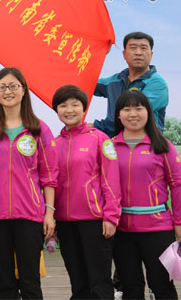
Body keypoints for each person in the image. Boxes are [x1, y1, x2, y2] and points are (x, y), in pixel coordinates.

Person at [0, 67, 57, 299]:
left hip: (30, 216)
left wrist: (49, 212)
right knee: (4, 284)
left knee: (30, 281)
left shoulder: (39, 129)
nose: (8, 91)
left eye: (13, 86)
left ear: (23, 91)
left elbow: (49, 175)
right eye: (2, 87)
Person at [110, 89, 181, 300]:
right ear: (118, 115)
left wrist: (180, 222)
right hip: (121, 230)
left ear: (148, 112)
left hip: (157, 228)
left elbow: (178, 185)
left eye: (138, 108)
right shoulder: (109, 147)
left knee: (162, 285)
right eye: (126, 109)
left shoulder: (162, 146)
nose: (133, 114)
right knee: (130, 286)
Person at [52, 85, 121, 300]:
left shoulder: (100, 139)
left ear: (84, 108)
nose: (69, 110)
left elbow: (111, 180)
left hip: (94, 221)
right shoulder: (54, 143)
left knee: (99, 281)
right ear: (57, 110)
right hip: (65, 222)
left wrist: (111, 216)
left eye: (75, 105)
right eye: (63, 105)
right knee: (78, 281)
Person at [94, 31, 168, 136]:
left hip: (146, 143)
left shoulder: (157, 84)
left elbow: (132, 117)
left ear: (151, 55)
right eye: (133, 48)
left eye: (143, 48)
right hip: (114, 142)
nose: (138, 52)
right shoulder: (115, 80)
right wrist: (98, 52)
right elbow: (85, 83)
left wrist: (94, 126)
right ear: (124, 54)